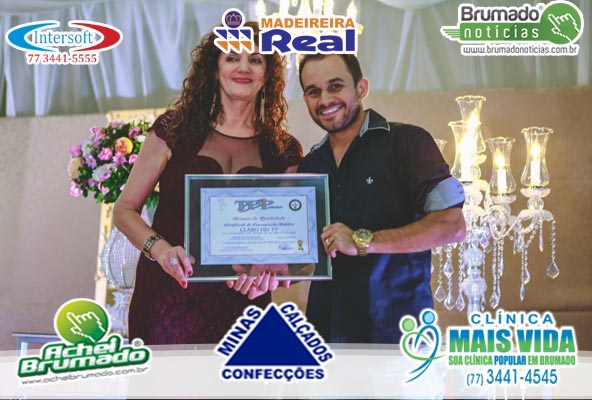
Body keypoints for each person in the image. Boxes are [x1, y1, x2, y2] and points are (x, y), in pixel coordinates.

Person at [113, 22, 302, 345]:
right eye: (232, 58)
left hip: (245, 305)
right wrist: (160, 250)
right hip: (168, 299)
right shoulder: (173, 129)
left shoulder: (284, 150)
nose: (244, 67)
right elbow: (124, 210)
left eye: (256, 60)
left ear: (268, 74)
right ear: (215, 69)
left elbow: (289, 243)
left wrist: (273, 272)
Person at [296, 54, 466, 343]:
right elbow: (305, 253)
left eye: (335, 86)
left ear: (361, 88)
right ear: (305, 99)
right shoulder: (310, 165)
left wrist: (362, 241)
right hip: (323, 337)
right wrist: (268, 270)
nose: (325, 100)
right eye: (314, 91)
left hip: (398, 337)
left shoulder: (408, 143)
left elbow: (452, 226)